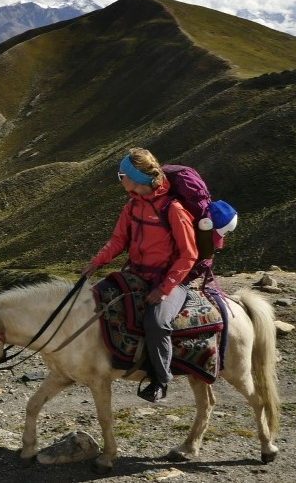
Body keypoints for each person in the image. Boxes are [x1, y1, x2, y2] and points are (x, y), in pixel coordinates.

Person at [81, 148, 199, 402]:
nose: (120, 180)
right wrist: (96, 262)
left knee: (156, 323)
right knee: (97, 299)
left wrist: (164, 288)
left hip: (170, 280)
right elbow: (117, 240)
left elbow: (189, 255)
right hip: (136, 273)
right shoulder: (133, 205)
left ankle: (161, 380)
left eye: (121, 175)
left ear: (136, 177)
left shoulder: (173, 210)